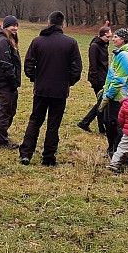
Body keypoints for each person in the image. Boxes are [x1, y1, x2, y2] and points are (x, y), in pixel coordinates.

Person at [18, 11, 82, 166]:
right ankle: (48, 157)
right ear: (62, 24)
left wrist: (36, 78)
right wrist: (67, 82)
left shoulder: (38, 41)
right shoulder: (71, 43)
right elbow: (77, 69)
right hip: (59, 91)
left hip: (41, 88)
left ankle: (26, 153)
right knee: (54, 124)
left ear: (48, 23)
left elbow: (28, 65)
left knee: (35, 120)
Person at [99, 28, 128, 155]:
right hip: (111, 93)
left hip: (117, 97)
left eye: (116, 37)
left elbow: (119, 80)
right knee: (108, 123)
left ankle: (118, 152)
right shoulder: (119, 53)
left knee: (114, 125)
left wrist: (108, 96)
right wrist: (104, 90)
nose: (113, 39)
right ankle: (112, 149)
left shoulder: (124, 55)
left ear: (123, 39)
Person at [77, 25, 113, 134]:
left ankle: (86, 123)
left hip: (104, 77)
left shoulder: (104, 45)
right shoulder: (94, 46)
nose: (110, 38)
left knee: (102, 102)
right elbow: (93, 65)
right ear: (103, 35)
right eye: (108, 35)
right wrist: (95, 80)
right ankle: (98, 127)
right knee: (102, 102)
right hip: (98, 79)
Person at [0, 15, 22, 149]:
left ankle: (2, 135)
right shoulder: (3, 42)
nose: (15, 28)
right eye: (13, 25)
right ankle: (1, 141)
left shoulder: (10, 40)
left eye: (17, 25)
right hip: (6, 83)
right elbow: (6, 64)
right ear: (6, 26)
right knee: (5, 111)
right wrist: (12, 83)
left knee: (11, 110)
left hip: (11, 83)